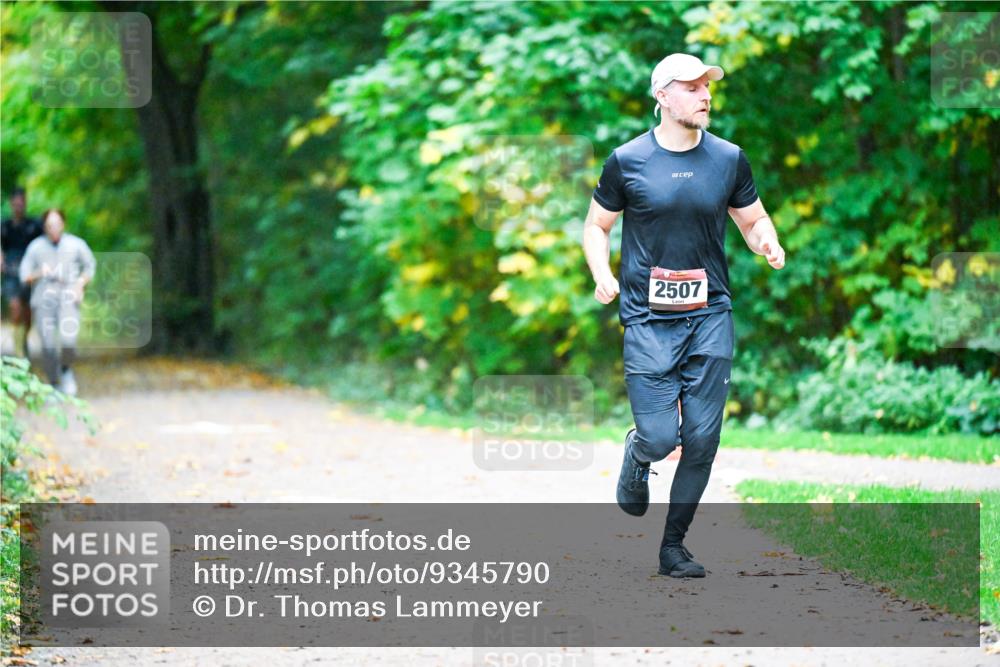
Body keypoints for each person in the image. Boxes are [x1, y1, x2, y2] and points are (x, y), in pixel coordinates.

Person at [582, 53, 785, 578]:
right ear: (663, 96)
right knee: (661, 436)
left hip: (711, 312)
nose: (705, 95)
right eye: (692, 87)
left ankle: (674, 547)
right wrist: (602, 274)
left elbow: (752, 217)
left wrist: (766, 241)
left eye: (707, 86)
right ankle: (638, 452)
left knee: (701, 436)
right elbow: (596, 226)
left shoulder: (728, 158)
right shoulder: (627, 160)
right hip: (648, 319)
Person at [19, 208, 97, 396]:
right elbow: (24, 275)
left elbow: (90, 266)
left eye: (56, 224)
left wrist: (79, 283)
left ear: (63, 224)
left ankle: (66, 371)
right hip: (43, 298)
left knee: (68, 339)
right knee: (47, 344)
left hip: (68, 297)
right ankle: (53, 383)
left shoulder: (76, 244)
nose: (52, 228)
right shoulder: (35, 247)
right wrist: (40, 272)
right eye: (48, 225)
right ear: (44, 227)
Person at [1, 187, 44, 356]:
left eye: (22, 203)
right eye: (16, 203)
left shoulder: (34, 225)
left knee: (27, 313)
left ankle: (23, 341)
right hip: (11, 273)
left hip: (30, 275)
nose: (19, 206)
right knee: (15, 307)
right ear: (11, 204)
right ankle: (18, 350)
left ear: (25, 203)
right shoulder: (4, 225)